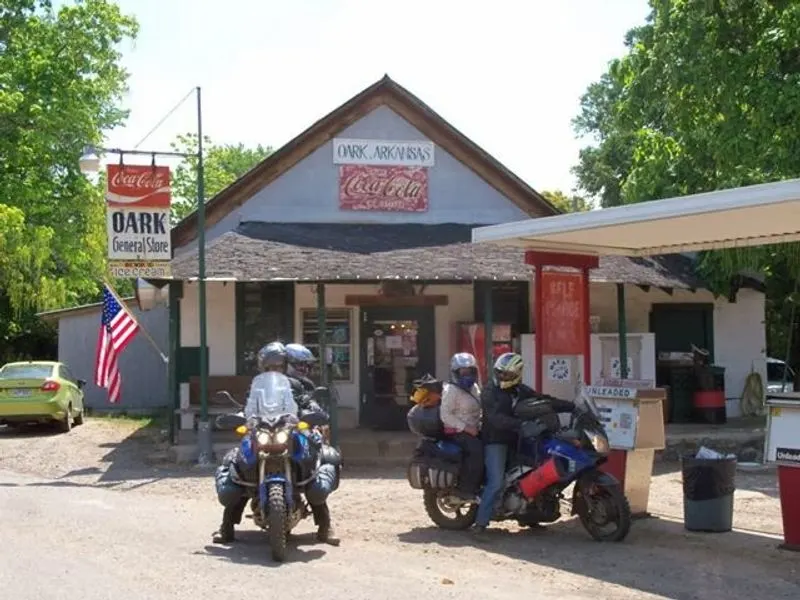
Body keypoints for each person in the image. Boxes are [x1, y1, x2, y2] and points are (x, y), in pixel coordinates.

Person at [212, 342, 340, 546]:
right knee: (243, 467)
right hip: (263, 431)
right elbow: (248, 406)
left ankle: (325, 526)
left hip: (289, 430)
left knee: (309, 470)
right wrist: (240, 416)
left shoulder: (297, 385)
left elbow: (307, 402)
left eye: (279, 366)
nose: (275, 370)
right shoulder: (258, 386)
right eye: (271, 367)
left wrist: (311, 412)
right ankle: (226, 526)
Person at [472, 352, 527, 539]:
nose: (502, 377)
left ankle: (529, 514)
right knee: (495, 482)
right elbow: (495, 419)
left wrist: (569, 406)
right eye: (500, 373)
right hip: (495, 440)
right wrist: (520, 424)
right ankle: (480, 524)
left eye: (507, 374)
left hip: (515, 439)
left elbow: (541, 398)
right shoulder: (489, 392)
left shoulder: (518, 390)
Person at [439, 353, 483, 501]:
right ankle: (466, 489)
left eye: (470, 371)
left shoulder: (474, 388)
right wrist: (466, 428)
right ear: (455, 373)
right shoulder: (451, 390)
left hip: (474, 428)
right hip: (457, 431)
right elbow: (445, 415)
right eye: (463, 372)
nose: (467, 375)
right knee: (477, 451)